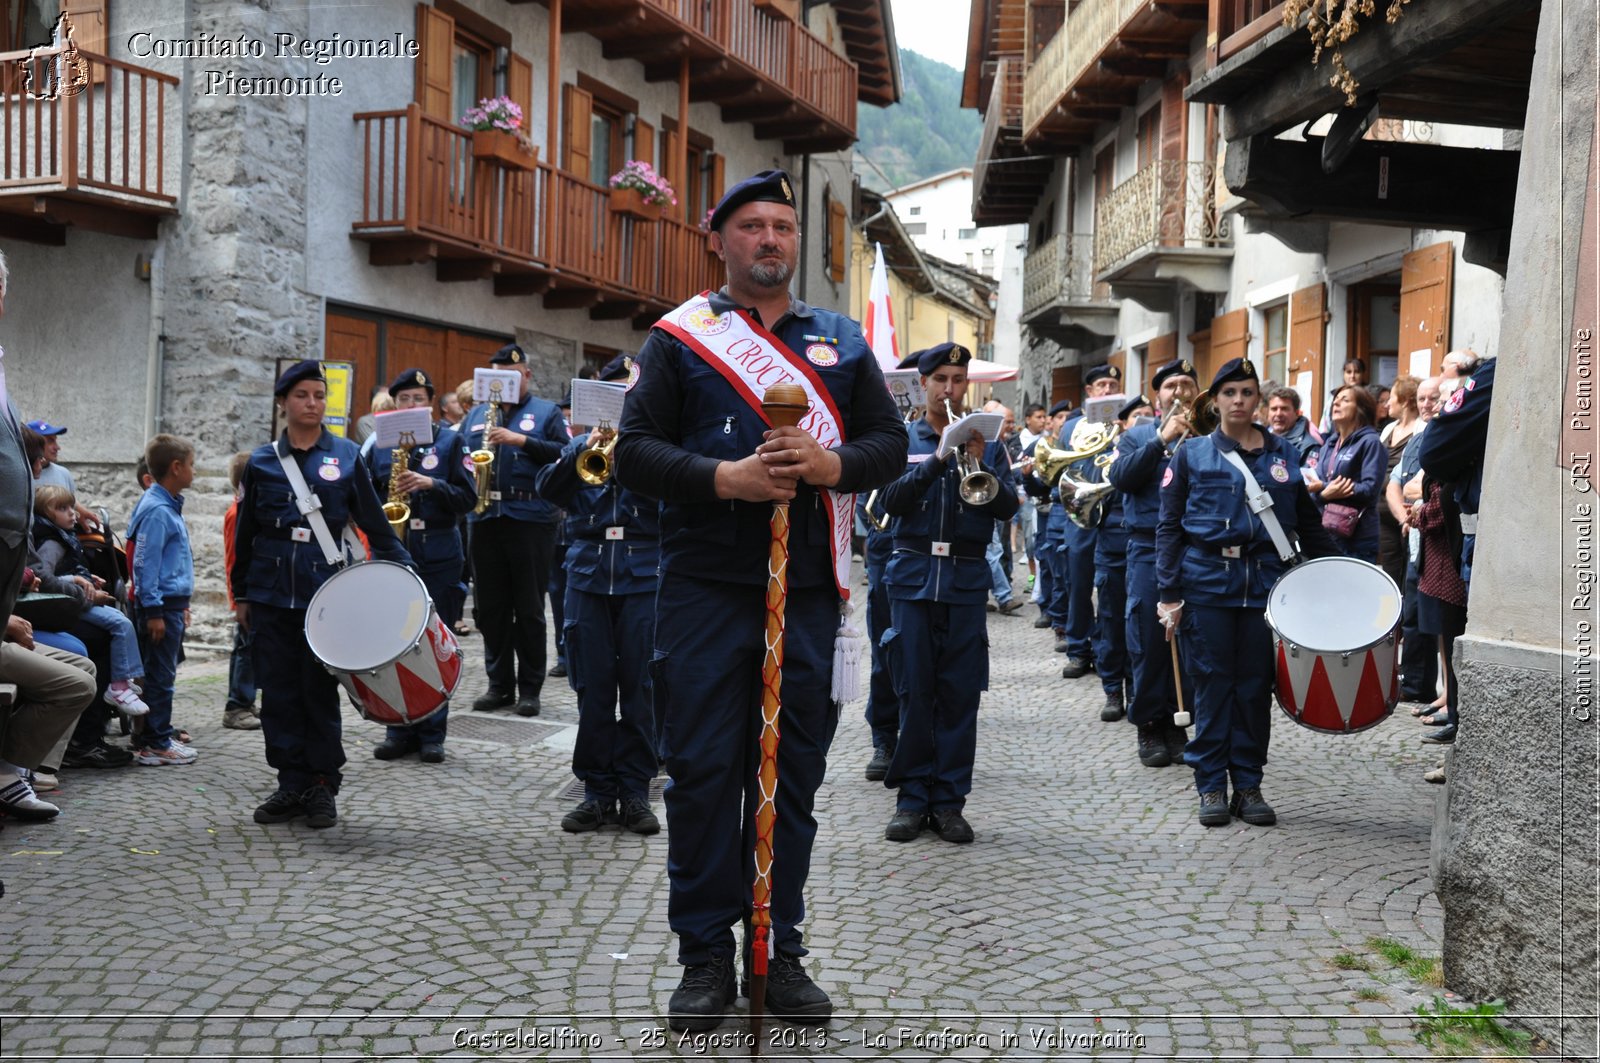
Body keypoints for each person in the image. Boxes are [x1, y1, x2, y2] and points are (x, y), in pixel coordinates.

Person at [613, 169, 906, 1032]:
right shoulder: (679, 341)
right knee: (704, 773)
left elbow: (889, 444)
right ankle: (705, 952)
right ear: (720, 241)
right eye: (753, 226)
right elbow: (634, 453)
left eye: (783, 225)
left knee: (792, 772)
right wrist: (724, 478)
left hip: (805, 591)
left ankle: (777, 951)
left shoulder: (843, 343)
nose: (771, 238)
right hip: (704, 589)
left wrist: (834, 466)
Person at [1156, 357, 1338, 826]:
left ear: (1258, 399)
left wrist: (1346, 574)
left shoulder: (1283, 456)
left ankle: (1249, 783)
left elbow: (1309, 526)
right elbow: (1169, 528)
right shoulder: (1191, 454)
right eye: (1230, 392)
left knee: (1256, 688)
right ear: (1214, 401)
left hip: (1264, 588)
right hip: (1207, 585)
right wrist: (1169, 592)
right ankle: (1212, 786)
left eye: (1247, 392)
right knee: (1214, 686)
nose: (1239, 401)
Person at [232, 360, 412, 828]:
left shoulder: (347, 456)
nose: (312, 404)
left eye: (319, 395)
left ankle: (321, 785)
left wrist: (408, 575)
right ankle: (289, 782)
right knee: (278, 693)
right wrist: (242, 596)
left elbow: (376, 525)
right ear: (283, 403)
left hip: (325, 596)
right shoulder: (263, 461)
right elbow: (245, 533)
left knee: (318, 692)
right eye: (302, 396)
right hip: (271, 596)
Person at [876, 343, 1017, 845]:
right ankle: (911, 799)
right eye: (941, 380)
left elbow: (1007, 510)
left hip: (964, 581)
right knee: (914, 692)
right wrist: (938, 460)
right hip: (913, 577)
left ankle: (949, 802)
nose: (951, 389)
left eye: (959, 380)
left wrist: (986, 466)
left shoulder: (987, 443)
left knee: (958, 697)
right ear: (924, 383)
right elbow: (887, 503)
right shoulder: (901, 437)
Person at [535, 355, 661, 835]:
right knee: (592, 690)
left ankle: (634, 792)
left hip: (642, 574)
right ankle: (594, 792)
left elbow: (672, 501)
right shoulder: (579, 445)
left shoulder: (652, 447)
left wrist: (633, 452)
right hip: (587, 575)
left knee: (640, 689)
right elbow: (549, 489)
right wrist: (580, 450)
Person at [363, 368, 476, 763]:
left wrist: (432, 485)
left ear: (430, 404)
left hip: (439, 551)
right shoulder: (378, 446)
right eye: (405, 399)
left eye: (419, 399)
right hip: (394, 551)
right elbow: (364, 501)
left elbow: (468, 498)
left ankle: (432, 732)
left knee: (434, 644)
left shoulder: (450, 441)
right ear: (394, 405)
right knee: (392, 642)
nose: (412, 405)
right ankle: (399, 728)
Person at [460, 344, 569, 718]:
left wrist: (521, 440)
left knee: (528, 607)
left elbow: (564, 453)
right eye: (496, 374)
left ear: (526, 375)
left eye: (512, 373)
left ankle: (530, 689)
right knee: (490, 608)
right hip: (485, 516)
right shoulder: (476, 414)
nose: (504, 380)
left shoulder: (546, 412)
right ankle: (499, 685)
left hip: (530, 518)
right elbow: (460, 457)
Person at [1107, 361, 1198, 768]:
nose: (1179, 391)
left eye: (1186, 384)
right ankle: (1148, 723)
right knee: (1148, 636)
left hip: (1195, 548)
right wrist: (1161, 440)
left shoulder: (1210, 437)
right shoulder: (1138, 435)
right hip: (1147, 547)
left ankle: (1178, 721)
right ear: (1157, 395)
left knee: (1189, 641)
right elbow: (1121, 478)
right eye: (1170, 385)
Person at [1415, 356, 1495, 746]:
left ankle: (1461, 727)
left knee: (1459, 629)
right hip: (1459, 541)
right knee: (1449, 635)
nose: (1439, 405)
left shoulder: (1493, 375)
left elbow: (1436, 475)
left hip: (1466, 539)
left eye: (1447, 394)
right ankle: (1457, 720)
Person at [31, 485, 152, 720]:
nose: (72, 513)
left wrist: (87, 577)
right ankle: (119, 685)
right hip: (69, 603)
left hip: (75, 597)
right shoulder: (52, 543)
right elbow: (44, 577)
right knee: (120, 624)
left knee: (121, 621)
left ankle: (124, 680)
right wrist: (76, 580)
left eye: (71, 507)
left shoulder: (62, 536)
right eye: (62, 509)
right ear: (47, 514)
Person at [125, 434, 198, 766]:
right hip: (159, 607)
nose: (194, 471)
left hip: (170, 604)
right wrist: (154, 610)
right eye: (192, 465)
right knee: (159, 676)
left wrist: (181, 605)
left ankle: (156, 734)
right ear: (176, 467)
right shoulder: (157, 510)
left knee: (160, 673)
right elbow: (145, 564)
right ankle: (154, 741)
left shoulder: (166, 504)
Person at [1058, 364, 1123, 680]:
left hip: (1116, 516)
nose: (1108, 390)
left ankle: (1107, 649)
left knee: (1112, 588)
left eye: (1113, 384)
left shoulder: (1126, 425)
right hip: (1080, 516)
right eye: (1102, 385)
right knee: (1079, 584)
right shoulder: (1071, 428)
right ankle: (1078, 648)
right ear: (1090, 392)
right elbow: (1059, 473)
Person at [1386, 376, 1442, 705]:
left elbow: (1416, 487)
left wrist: (1412, 500)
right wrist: (1404, 517)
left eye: (1432, 398)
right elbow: (1395, 486)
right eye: (1421, 398)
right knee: (1410, 611)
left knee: (1427, 615)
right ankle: (1412, 682)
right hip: (1412, 534)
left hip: (1432, 536)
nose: (1426, 404)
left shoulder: (1442, 436)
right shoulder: (1415, 439)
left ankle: (1424, 686)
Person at [1303, 384, 1387, 565]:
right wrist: (1325, 492)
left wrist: (1324, 487)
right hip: (1326, 533)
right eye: (1336, 401)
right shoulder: (1329, 444)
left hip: (1358, 537)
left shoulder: (1371, 442)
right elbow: (1314, 485)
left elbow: (1370, 489)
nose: (1337, 404)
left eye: (1345, 400)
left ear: (1361, 409)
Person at [221, 452, 262, 730]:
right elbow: (235, 557)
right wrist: (239, 597)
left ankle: (244, 701)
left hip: (249, 592)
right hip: (246, 593)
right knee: (246, 649)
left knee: (247, 647)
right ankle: (238, 704)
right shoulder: (239, 513)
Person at [1377, 376, 1424, 592]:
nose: (1387, 404)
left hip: (1407, 512)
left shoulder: (1421, 429)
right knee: (1388, 570)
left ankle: (1404, 622)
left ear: (1405, 401)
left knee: (1407, 568)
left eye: (1392, 398)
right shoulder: (1389, 429)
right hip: (1382, 510)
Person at [1265, 386, 1323, 464]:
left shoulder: (1308, 447)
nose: (1278, 414)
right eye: (1274, 409)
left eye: (1284, 409)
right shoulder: (1259, 438)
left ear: (1296, 413)